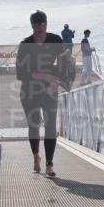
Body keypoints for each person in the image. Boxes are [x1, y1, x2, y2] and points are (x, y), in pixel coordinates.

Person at [16, 10, 69, 177]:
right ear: (32, 26)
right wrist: (43, 75)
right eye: (36, 24)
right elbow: (20, 72)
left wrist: (57, 82)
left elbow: (64, 66)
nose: (40, 27)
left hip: (49, 90)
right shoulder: (25, 44)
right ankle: (35, 156)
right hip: (29, 90)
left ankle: (49, 164)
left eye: (42, 24)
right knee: (34, 124)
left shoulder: (56, 40)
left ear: (47, 24)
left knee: (50, 126)